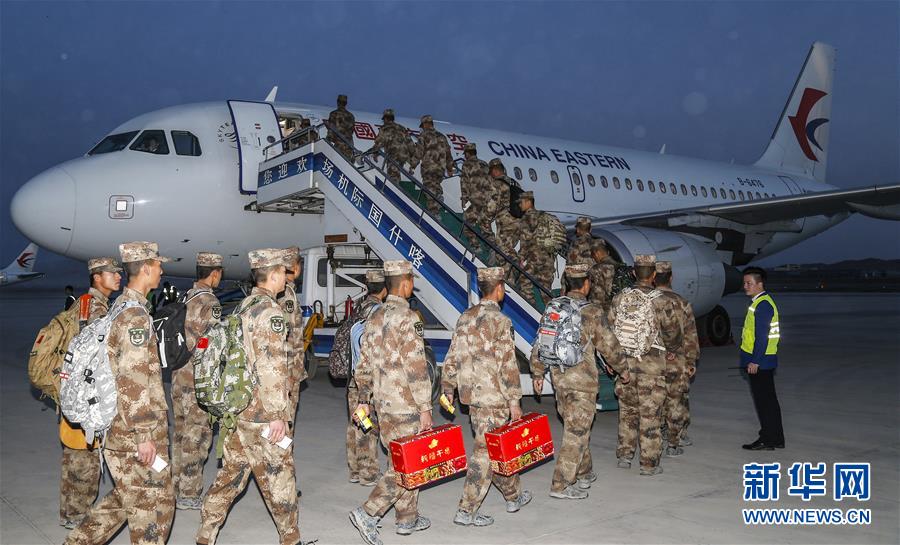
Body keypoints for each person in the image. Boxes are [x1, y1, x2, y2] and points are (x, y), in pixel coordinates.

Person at [65, 242, 174, 545]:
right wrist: (143, 434)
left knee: (134, 499)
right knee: (147, 512)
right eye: (158, 264)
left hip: (129, 428)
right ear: (147, 268)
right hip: (132, 432)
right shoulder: (134, 317)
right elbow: (133, 379)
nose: (162, 270)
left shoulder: (126, 307)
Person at [197, 249, 306, 545]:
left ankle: (205, 535)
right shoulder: (271, 312)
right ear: (272, 275)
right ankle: (291, 539)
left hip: (239, 408)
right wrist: (278, 415)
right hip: (262, 414)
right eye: (283, 271)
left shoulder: (245, 305)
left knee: (230, 476)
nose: (287, 276)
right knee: (281, 476)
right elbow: (271, 367)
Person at [349, 260, 433, 545]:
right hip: (405, 405)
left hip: (383, 403)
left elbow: (364, 364)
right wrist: (425, 408)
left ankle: (407, 517)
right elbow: (417, 367)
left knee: (402, 460)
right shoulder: (408, 318)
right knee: (405, 466)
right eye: (411, 280)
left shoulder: (374, 317)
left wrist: (363, 399)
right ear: (406, 283)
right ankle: (368, 513)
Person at [441, 267, 532, 526]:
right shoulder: (500, 321)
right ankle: (466, 510)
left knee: (494, 448)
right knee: (485, 453)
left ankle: (513, 495)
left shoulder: (465, 317)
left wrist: (448, 387)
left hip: (472, 395)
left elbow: (452, 355)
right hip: (494, 398)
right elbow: (508, 364)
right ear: (500, 289)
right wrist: (515, 401)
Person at [531, 264, 628, 498]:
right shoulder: (592, 311)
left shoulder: (554, 307)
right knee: (576, 433)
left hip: (559, 379)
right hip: (582, 382)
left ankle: (584, 472)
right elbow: (609, 345)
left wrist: (537, 372)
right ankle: (561, 484)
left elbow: (542, 341)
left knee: (576, 428)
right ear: (586, 285)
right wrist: (623, 368)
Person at [59, 257, 122, 529]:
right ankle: (75, 516)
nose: (118, 277)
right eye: (113, 273)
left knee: (78, 455)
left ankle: (72, 512)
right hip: (85, 395)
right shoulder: (95, 307)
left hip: (76, 391)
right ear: (97, 277)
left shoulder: (87, 303)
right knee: (83, 459)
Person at [609, 255, 682, 476]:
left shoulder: (620, 298)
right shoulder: (662, 301)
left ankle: (624, 455)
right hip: (652, 367)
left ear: (633, 273)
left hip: (625, 366)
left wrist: (614, 362)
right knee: (651, 415)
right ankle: (649, 464)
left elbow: (609, 332)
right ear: (652, 275)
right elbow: (673, 335)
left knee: (627, 412)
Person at [171, 252, 223, 511]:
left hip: (178, 374)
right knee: (198, 433)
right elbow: (212, 343)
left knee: (180, 431)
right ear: (215, 273)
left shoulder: (185, 296)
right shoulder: (209, 301)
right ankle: (189, 493)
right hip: (197, 377)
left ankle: (176, 485)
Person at [653, 261, 699, 455]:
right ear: (671, 278)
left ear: (653, 278)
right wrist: (691, 361)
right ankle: (673, 443)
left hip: (651, 361)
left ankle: (653, 441)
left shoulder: (647, 301)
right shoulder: (682, 303)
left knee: (654, 402)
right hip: (676, 360)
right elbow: (690, 336)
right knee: (676, 401)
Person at [346, 269, 386, 487]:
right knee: (367, 427)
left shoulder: (359, 307)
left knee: (356, 422)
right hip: (368, 379)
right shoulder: (379, 312)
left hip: (353, 377)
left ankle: (354, 469)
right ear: (385, 288)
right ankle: (368, 473)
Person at [739, 266, 784, 451]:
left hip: (761, 362)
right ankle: (776, 437)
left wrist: (755, 361)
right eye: (744, 283)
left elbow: (762, 336)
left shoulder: (762, 305)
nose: (745, 287)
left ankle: (768, 439)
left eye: (749, 283)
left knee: (764, 402)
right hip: (765, 361)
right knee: (769, 401)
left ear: (760, 284)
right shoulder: (759, 303)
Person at [278, 246, 308, 426]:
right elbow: (286, 336)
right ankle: (283, 453)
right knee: (286, 419)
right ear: (295, 267)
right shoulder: (287, 295)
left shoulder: (286, 291)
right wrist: (289, 372)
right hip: (288, 367)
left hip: (285, 367)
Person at [517, 191, 556, 307]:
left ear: (529, 202)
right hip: (548, 258)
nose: (520, 205)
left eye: (522, 202)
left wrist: (521, 258)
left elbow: (525, 241)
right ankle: (552, 314)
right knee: (546, 290)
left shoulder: (527, 218)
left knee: (525, 283)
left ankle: (531, 309)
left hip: (535, 258)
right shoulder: (543, 216)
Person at [414, 114, 455, 216]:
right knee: (435, 184)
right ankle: (438, 195)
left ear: (424, 124)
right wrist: (449, 169)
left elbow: (419, 153)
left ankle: (434, 213)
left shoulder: (423, 136)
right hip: (440, 169)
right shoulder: (442, 137)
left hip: (428, 168)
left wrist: (412, 165)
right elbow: (448, 154)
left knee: (429, 189)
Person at [459, 143, 495, 251]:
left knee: (468, 224)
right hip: (489, 200)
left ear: (468, 153)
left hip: (476, 201)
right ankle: (493, 248)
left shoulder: (467, 164)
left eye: (465, 154)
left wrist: (464, 199)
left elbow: (464, 183)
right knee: (485, 226)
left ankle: (476, 247)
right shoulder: (484, 164)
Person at [487, 159, 520, 273]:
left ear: (495, 170)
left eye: (490, 172)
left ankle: (517, 266)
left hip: (506, 222)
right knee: (505, 250)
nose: (490, 175)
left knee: (505, 251)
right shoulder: (515, 183)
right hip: (518, 221)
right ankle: (508, 278)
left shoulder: (497, 183)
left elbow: (492, 206)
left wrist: (485, 219)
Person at [369, 109, 416, 184]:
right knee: (396, 169)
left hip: (394, 154)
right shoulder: (402, 128)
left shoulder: (384, 128)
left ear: (385, 118)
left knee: (393, 174)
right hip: (404, 154)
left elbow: (379, 143)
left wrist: (374, 153)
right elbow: (410, 144)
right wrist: (412, 159)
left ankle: (395, 188)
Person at [587, 239, 617, 310]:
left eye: (592, 255)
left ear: (597, 253)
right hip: (616, 308)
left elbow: (596, 295)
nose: (593, 259)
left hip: (602, 309)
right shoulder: (620, 266)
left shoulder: (596, 269)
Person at [327, 94, 356, 159]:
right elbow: (352, 130)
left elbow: (331, 129)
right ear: (346, 103)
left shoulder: (334, 114)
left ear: (337, 102)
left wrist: (328, 140)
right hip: (349, 144)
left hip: (339, 144)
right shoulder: (351, 116)